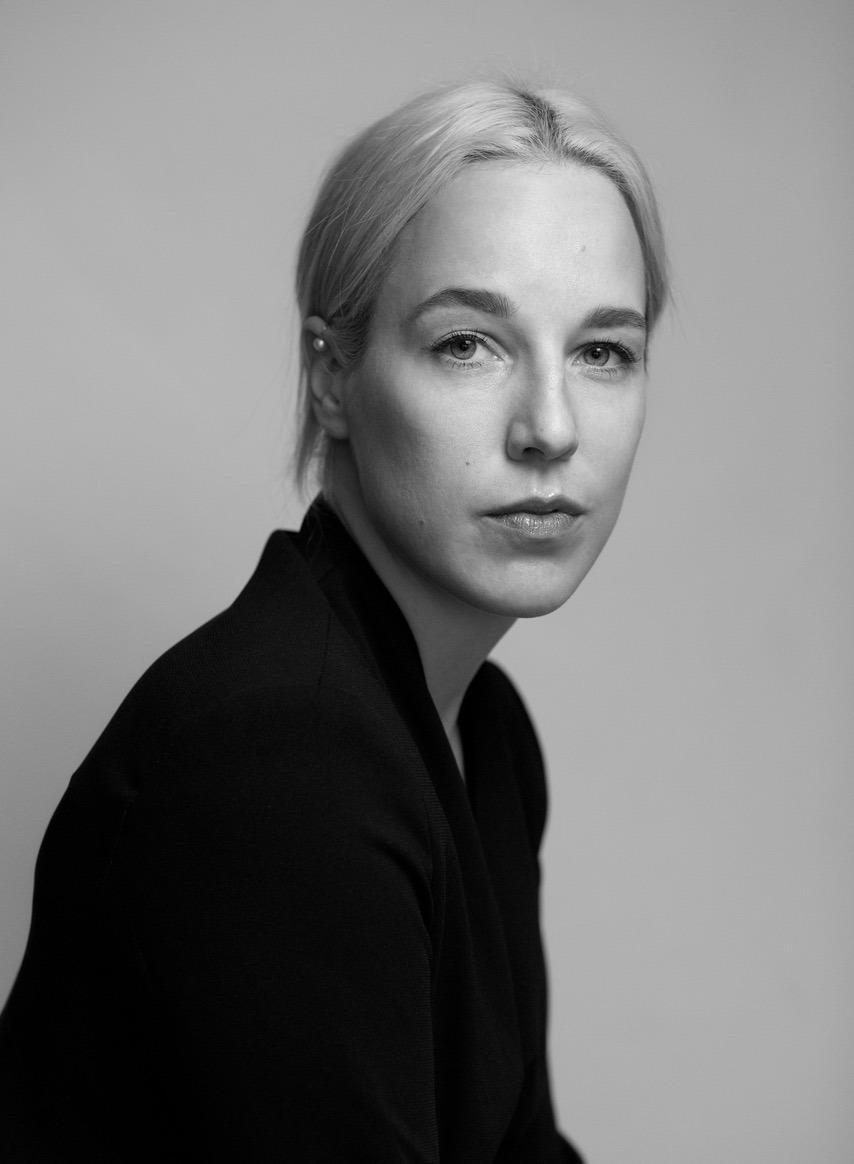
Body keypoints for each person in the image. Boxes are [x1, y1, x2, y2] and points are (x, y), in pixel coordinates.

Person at [0, 78, 668, 1162]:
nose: (550, 427)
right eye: (468, 343)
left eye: (603, 352)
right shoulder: (279, 754)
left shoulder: (482, 730)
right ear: (332, 378)